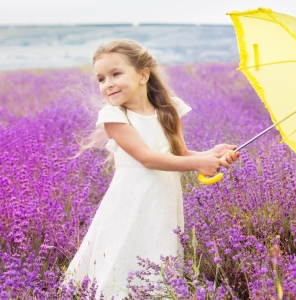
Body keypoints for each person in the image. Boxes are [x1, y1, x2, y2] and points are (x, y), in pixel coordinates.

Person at [63, 39, 240, 299]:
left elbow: (178, 154)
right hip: (130, 198)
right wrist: (199, 163)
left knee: (158, 246)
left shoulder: (169, 109)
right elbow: (147, 158)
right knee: (124, 246)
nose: (108, 83)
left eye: (116, 74)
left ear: (143, 75)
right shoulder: (114, 117)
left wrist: (210, 154)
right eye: (101, 79)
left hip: (164, 197)